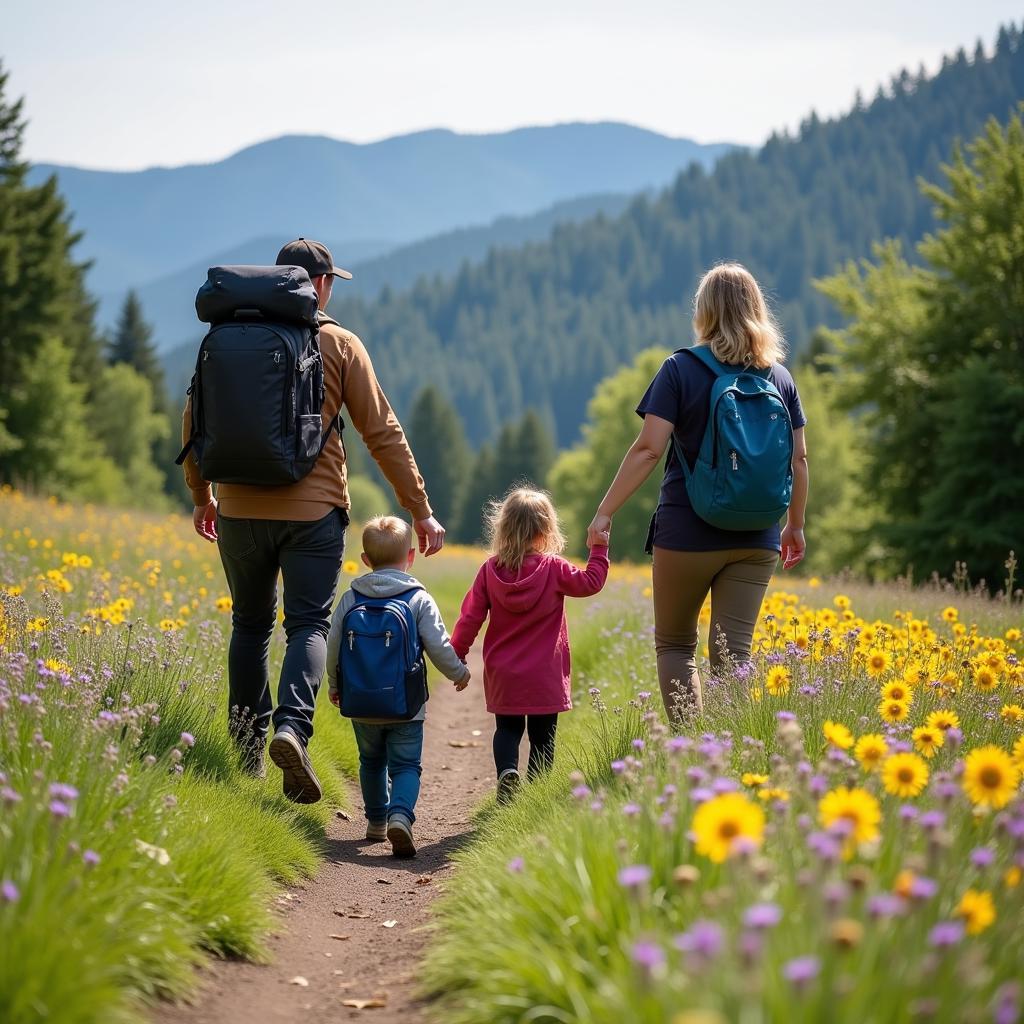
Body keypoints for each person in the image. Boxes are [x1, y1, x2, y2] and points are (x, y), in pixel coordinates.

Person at [182, 238, 445, 804]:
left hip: (239, 511)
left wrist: (203, 496)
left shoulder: (223, 339)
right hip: (315, 514)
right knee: (307, 626)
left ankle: (248, 755)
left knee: (250, 627)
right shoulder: (339, 343)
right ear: (319, 285)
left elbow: (194, 424)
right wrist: (418, 508)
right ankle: (291, 729)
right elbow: (382, 432)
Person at [587, 263, 808, 723]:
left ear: (704, 311)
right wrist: (796, 526)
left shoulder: (680, 369)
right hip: (758, 536)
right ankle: (730, 754)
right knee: (735, 654)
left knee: (675, 644)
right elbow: (799, 460)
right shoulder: (780, 379)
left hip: (687, 530)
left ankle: (692, 753)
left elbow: (649, 450)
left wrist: (605, 513)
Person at [452, 487, 609, 803]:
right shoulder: (554, 568)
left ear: (504, 527)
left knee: (507, 730)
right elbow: (591, 583)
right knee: (543, 738)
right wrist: (599, 549)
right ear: (546, 530)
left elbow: (470, 618)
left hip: (504, 672)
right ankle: (536, 795)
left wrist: (456, 656)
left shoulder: (489, 571)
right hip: (544, 673)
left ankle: (507, 774)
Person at [325, 516, 469, 856]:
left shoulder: (350, 597)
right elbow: (438, 645)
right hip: (406, 704)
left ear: (365, 560)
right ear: (410, 556)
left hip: (360, 701)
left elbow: (333, 645)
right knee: (405, 765)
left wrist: (336, 684)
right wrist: (458, 673)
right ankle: (400, 816)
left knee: (370, 761)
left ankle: (375, 821)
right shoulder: (418, 598)